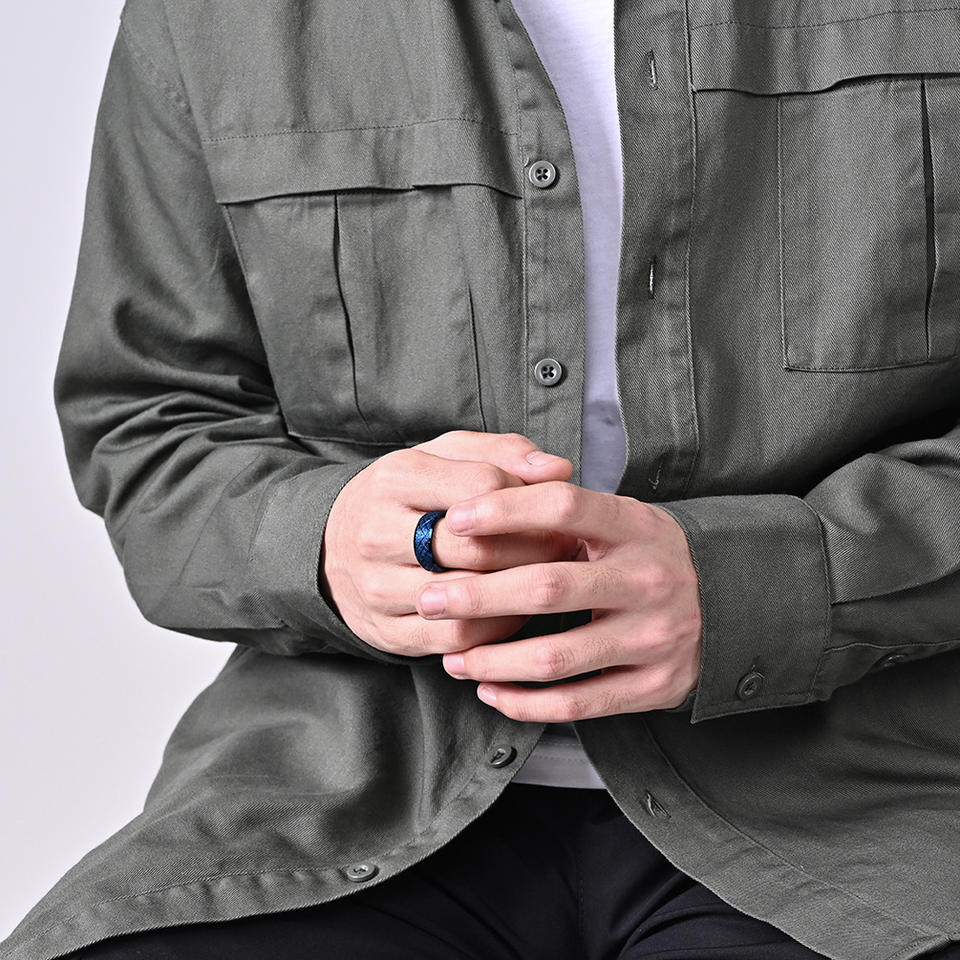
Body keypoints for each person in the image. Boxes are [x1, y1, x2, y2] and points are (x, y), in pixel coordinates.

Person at [4, 0, 960, 958]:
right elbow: (149, 418)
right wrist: (326, 542)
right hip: (334, 793)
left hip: (878, 797)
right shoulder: (214, 18)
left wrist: (770, 587)